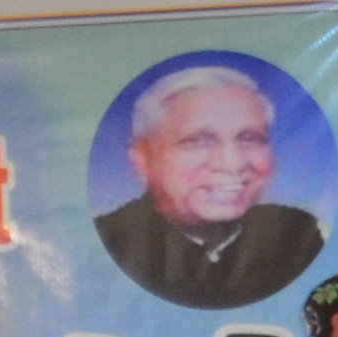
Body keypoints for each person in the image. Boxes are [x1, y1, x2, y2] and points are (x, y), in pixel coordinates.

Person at [95, 66, 325, 310]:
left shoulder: (294, 236)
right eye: (198, 141)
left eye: (250, 138)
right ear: (142, 158)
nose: (232, 163)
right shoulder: (107, 242)